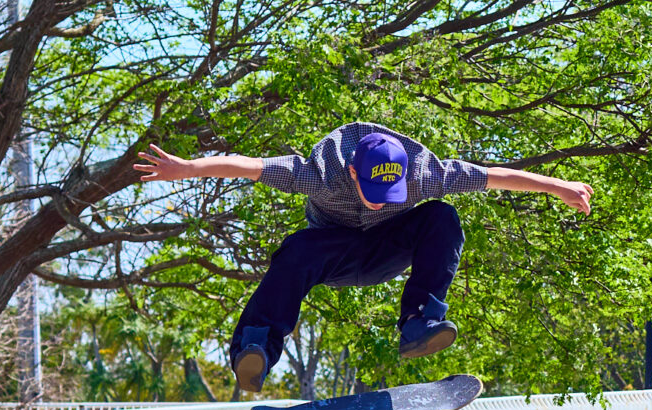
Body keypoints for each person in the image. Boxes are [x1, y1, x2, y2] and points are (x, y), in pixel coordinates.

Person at [135, 125, 594, 393]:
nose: (379, 200)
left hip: (386, 250)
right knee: (295, 249)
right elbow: (250, 165)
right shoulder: (317, 173)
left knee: (443, 217)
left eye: (388, 193)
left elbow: (494, 176)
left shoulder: (425, 174)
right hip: (331, 254)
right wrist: (187, 169)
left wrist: (559, 187)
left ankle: (420, 323)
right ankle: (255, 348)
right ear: (352, 171)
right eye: (372, 190)